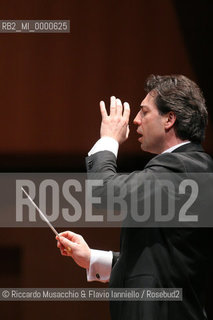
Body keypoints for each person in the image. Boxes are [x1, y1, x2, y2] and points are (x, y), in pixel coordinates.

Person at [57, 74, 213, 320]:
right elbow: (161, 259)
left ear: (170, 119)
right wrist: (93, 258)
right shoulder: (184, 167)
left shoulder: (183, 168)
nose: (136, 121)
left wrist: (108, 139)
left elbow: (102, 191)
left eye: (144, 112)